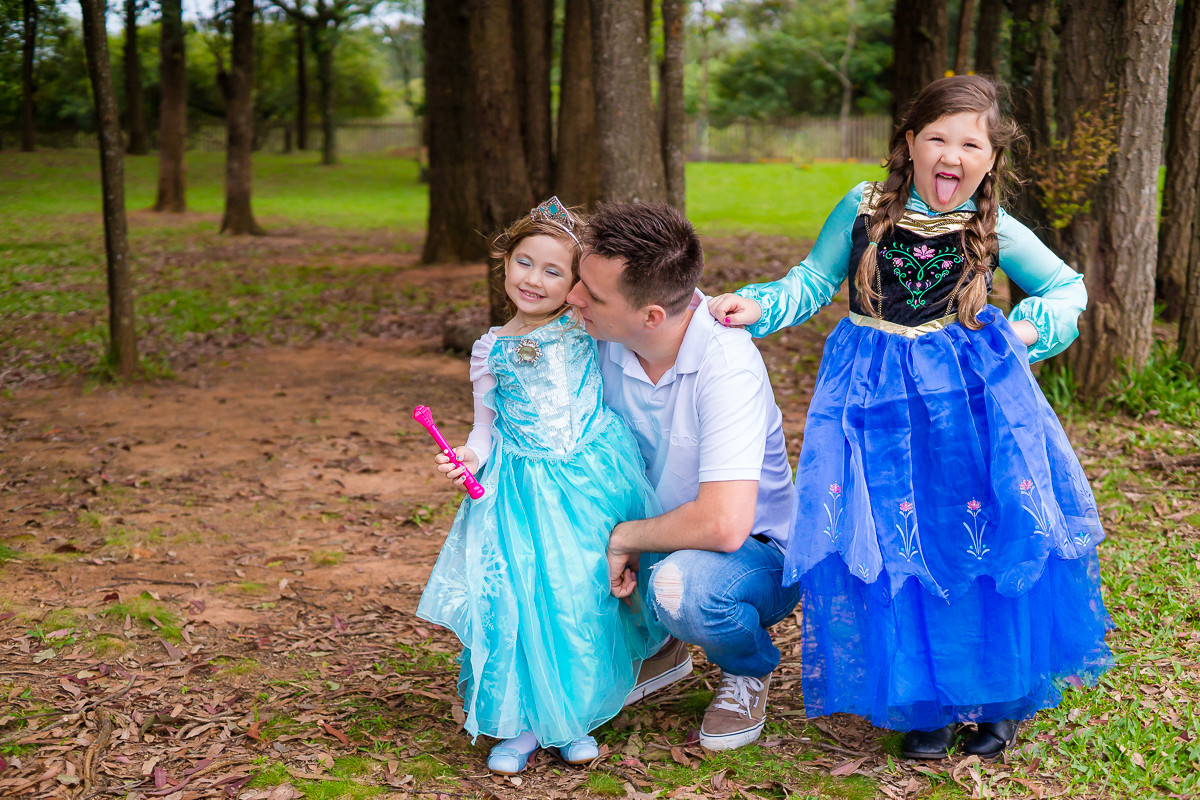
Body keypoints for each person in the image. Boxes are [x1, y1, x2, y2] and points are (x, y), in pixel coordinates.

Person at [709, 75, 1114, 760]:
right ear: (909, 142)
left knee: (970, 535)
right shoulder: (863, 208)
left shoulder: (991, 226)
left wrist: (1021, 333)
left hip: (968, 407)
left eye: (971, 144)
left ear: (991, 158)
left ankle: (996, 696)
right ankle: (926, 699)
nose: (952, 155)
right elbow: (813, 280)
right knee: (897, 536)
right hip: (872, 403)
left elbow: (1065, 286)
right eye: (937, 138)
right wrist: (760, 305)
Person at [416, 198, 665, 775]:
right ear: (505, 261)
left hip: (592, 479)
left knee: (582, 596)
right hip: (524, 489)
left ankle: (572, 716)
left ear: (576, 283)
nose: (534, 279)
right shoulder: (489, 349)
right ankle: (524, 724)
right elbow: (484, 430)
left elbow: (645, 317)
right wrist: (468, 458)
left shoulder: (586, 325)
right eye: (524, 262)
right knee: (526, 599)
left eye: (554, 271)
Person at [564, 202, 800, 752]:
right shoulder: (600, 337)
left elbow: (724, 525)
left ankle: (747, 668)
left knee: (683, 588)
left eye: (593, 294)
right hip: (653, 532)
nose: (573, 297)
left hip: (753, 555)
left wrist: (623, 538)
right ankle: (660, 648)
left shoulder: (727, 366)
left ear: (651, 316)